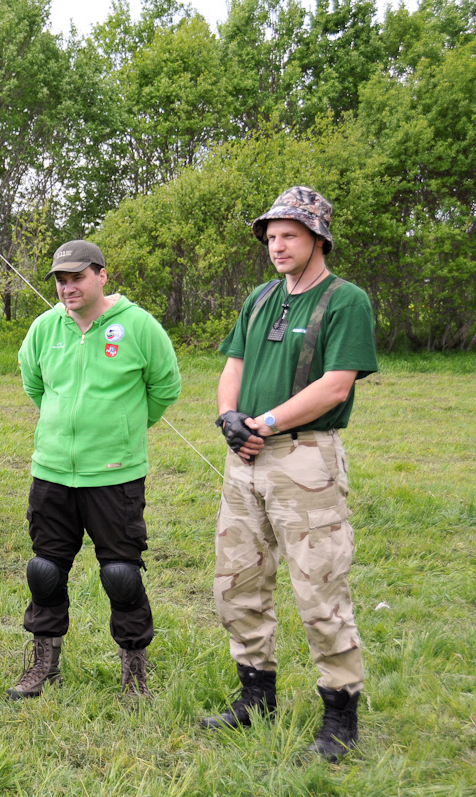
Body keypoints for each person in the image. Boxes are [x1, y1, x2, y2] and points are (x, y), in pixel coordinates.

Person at [201, 187, 378, 761]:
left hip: (305, 458)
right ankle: (256, 699)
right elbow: (234, 365)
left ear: (318, 239)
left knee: (320, 589)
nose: (277, 246)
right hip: (244, 459)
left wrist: (266, 422)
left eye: (290, 235)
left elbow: (336, 385)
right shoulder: (259, 298)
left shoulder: (345, 301)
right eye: (272, 236)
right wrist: (229, 417)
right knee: (237, 584)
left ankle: (340, 716)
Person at [8, 240, 181, 700]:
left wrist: (124, 427)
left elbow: (165, 386)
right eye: (61, 280)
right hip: (52, 472)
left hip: (115, 474)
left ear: (102, 275)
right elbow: (34, 384)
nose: (68, 287)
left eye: (77, 277)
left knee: (121, 575)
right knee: (44, 570)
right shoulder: (45, 328)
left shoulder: (139, 326)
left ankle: (134, 672)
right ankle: (44, 664)